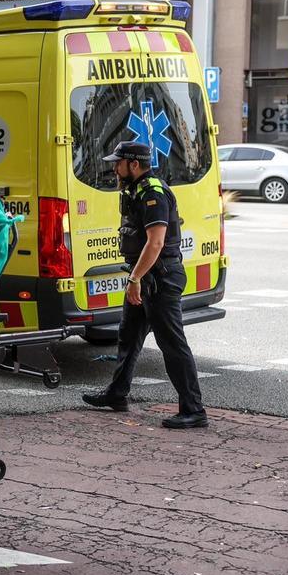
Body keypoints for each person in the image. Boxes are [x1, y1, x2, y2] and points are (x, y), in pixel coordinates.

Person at [82, 141, 207, 429]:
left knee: (172, 344)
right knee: (128, 335)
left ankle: (193, 409)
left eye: (118, 163)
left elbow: (156, 242)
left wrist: (135, 279)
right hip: (146, 278)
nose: (114, 168)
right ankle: (117, 394)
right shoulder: (136, 189)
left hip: (159, 279)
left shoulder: (153, 193)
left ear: (133, 164)